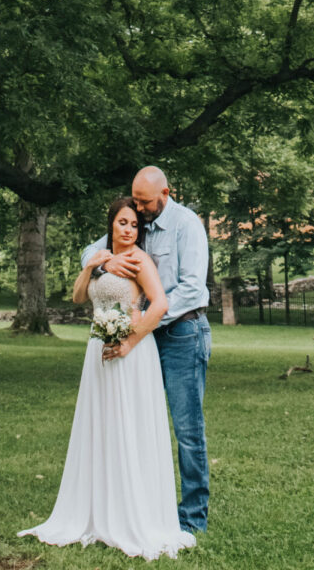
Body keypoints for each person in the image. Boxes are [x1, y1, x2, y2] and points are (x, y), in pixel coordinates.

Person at [18, 196, 195, 561]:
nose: (128, 230)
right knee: (101, 427)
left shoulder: (138, 260)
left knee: (129, 425)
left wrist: (130, 341)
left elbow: (159, 303)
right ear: (111, 225)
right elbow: (79, 296)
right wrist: (93, 265)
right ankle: (96, 512)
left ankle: (131, 513)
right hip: (97, 353)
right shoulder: (101, 259)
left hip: (131, 355)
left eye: (134, 225)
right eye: (122, 223)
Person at [82, 167, 211, 537]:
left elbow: (190, 288)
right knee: (143, 422)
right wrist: (105, 262)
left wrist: (142, 322)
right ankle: (144, 507)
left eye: (144, 202)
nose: (138, 209)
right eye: (135, 201)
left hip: (183, 330)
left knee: (187, 428)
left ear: (165, 193)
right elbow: (90, 250)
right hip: (148, 339)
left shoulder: (187, 225)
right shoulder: (138, 220)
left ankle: (192, 518)